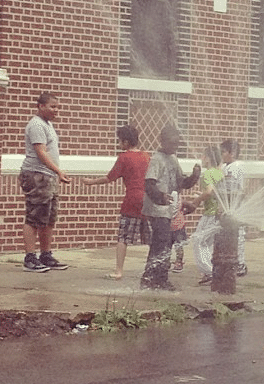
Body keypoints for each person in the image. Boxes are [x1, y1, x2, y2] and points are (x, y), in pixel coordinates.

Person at [83, 125, 150, 280]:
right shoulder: (146, 156)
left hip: (131, 199)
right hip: (147, 200)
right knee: (150, 238)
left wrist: (91, 182)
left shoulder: (124, 157)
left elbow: (109, 178)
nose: (119, 144)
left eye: (120, 141)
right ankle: (150, 270)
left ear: (126, 141)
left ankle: (118, 271)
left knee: (123, 237)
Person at [140, 124, 200, 291]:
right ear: (163, 141)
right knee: (161, 244)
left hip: (168, 211)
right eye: (172, 143)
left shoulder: (173, 159)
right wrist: (160, 196)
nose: (175, 147)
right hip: (157, 209)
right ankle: (152, 279)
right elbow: (149, 184)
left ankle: (158, 278)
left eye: (177, 144)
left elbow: (182, 183)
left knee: (166, 244)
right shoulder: (157, 159)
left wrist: (195, 176)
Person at [19, 92, 71, 272]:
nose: (56, 110)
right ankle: (30, 258)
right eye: (53, 106)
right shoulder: (36, 125)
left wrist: (55, 173)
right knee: (34, 217)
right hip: (37, 176)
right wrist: (58, 171)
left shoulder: (48, 125)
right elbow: (41, 153)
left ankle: (46, 255)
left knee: (49, 218)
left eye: (57, 106)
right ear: (41, 106)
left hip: (49, 176)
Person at [189, 145, 225, 285]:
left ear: (209, 158)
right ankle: (208, 273)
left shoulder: (208, 174)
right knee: (208, 244)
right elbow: (216, 193)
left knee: (198, 240)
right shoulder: (220, 173)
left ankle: (211, 272)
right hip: (219, 214)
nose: (202, 159)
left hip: (210, 214)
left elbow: (209, 191)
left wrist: (197, 200)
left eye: (203, 156)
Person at [220, 139, 248, 277]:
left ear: (232, 153)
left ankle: (240, 264)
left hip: (235, 205)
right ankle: (229, 261)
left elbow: (240, 188)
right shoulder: (225, 167)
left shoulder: (237, 167)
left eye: (224, 152)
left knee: (239, 235)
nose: (222, 154)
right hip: (227, 205)